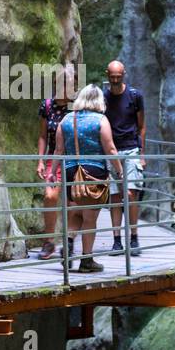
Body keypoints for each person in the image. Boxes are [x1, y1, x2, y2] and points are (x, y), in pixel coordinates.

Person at [54, 83, 122, 273]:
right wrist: (120, 171)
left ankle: (68, 243)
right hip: (94, 172)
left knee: (75, 211)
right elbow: (110, 149)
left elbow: (58, 150)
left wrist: (52, 172)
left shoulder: (66, 119)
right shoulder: (100, 119)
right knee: (90, 218)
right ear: (99, 100)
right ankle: (87, 260)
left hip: (70, 172)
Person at [104, 60, 146, 255]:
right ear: (107, 75)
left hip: (131, 150)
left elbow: (142, 126)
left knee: (131, 193)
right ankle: (116, 240)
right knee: (114, 196)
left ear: (124, 74)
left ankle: (134, 236)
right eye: (112, 76)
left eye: (118, 77)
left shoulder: (135, 96)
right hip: (111, 151)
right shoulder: (103, 98)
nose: (114, 80)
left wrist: (142, 154)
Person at [34, 77, 74, 261]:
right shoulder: (47, 105)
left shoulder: (77, 106)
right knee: (50, 197)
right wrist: (41, 160)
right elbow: (42, 135)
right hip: (53, 158)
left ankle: (69, 243)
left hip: (75, 159)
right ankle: (48, 242)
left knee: (73, 203)